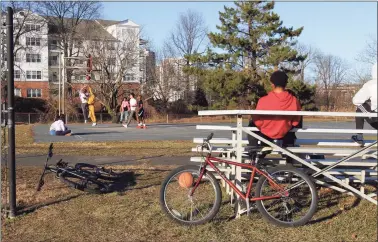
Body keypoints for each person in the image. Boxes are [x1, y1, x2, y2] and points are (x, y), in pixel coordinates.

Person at [248, 70, 301, 148]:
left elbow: (257, 120)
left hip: (265, 133)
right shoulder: (294, 100)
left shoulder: (263, 100)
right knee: (290, 132)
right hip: (285, 132)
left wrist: (263, 127)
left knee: (251, 125)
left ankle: (253, 150)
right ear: (286, 84)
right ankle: (289, 153)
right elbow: (296, 121)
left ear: (272, 84)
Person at [351, 62, 378, 146]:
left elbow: (356, 100)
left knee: (360, 107)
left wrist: (368, 103)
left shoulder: (371, 84)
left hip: (376, 120)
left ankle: (359, 137)